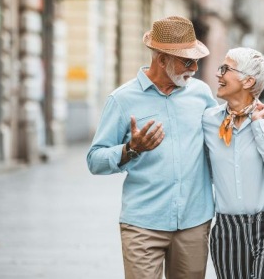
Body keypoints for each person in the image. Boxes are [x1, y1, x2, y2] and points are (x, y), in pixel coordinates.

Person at [86, 16, 217, 279]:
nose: (194, 67)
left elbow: (223, 141)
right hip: (142, 224)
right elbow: (94, 159)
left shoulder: (201, 94)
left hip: (194, 221)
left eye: (196, 60)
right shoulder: (122, 99)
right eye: (186, 60)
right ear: (161, 59)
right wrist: (130, 148)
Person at [202, 47, 264, 279]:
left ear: (248, 81)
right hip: (227, 229)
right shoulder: (208, 121)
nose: (218, 74)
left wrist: (258, 124)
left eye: (225, 69)